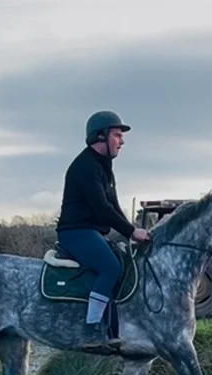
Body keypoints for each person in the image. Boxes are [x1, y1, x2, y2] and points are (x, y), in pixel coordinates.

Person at [55, 110, 150, 350]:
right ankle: (90, 332)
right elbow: (101, 209)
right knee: (111, 267)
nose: (122, 141)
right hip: (75, 232)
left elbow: (114, 207)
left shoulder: (104, 166)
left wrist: (132, 231)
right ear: (101, 136)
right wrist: (131, 232)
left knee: (124, 262)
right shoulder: (85, 167)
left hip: (92, 232)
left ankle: (115, 329)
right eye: (117, 135)